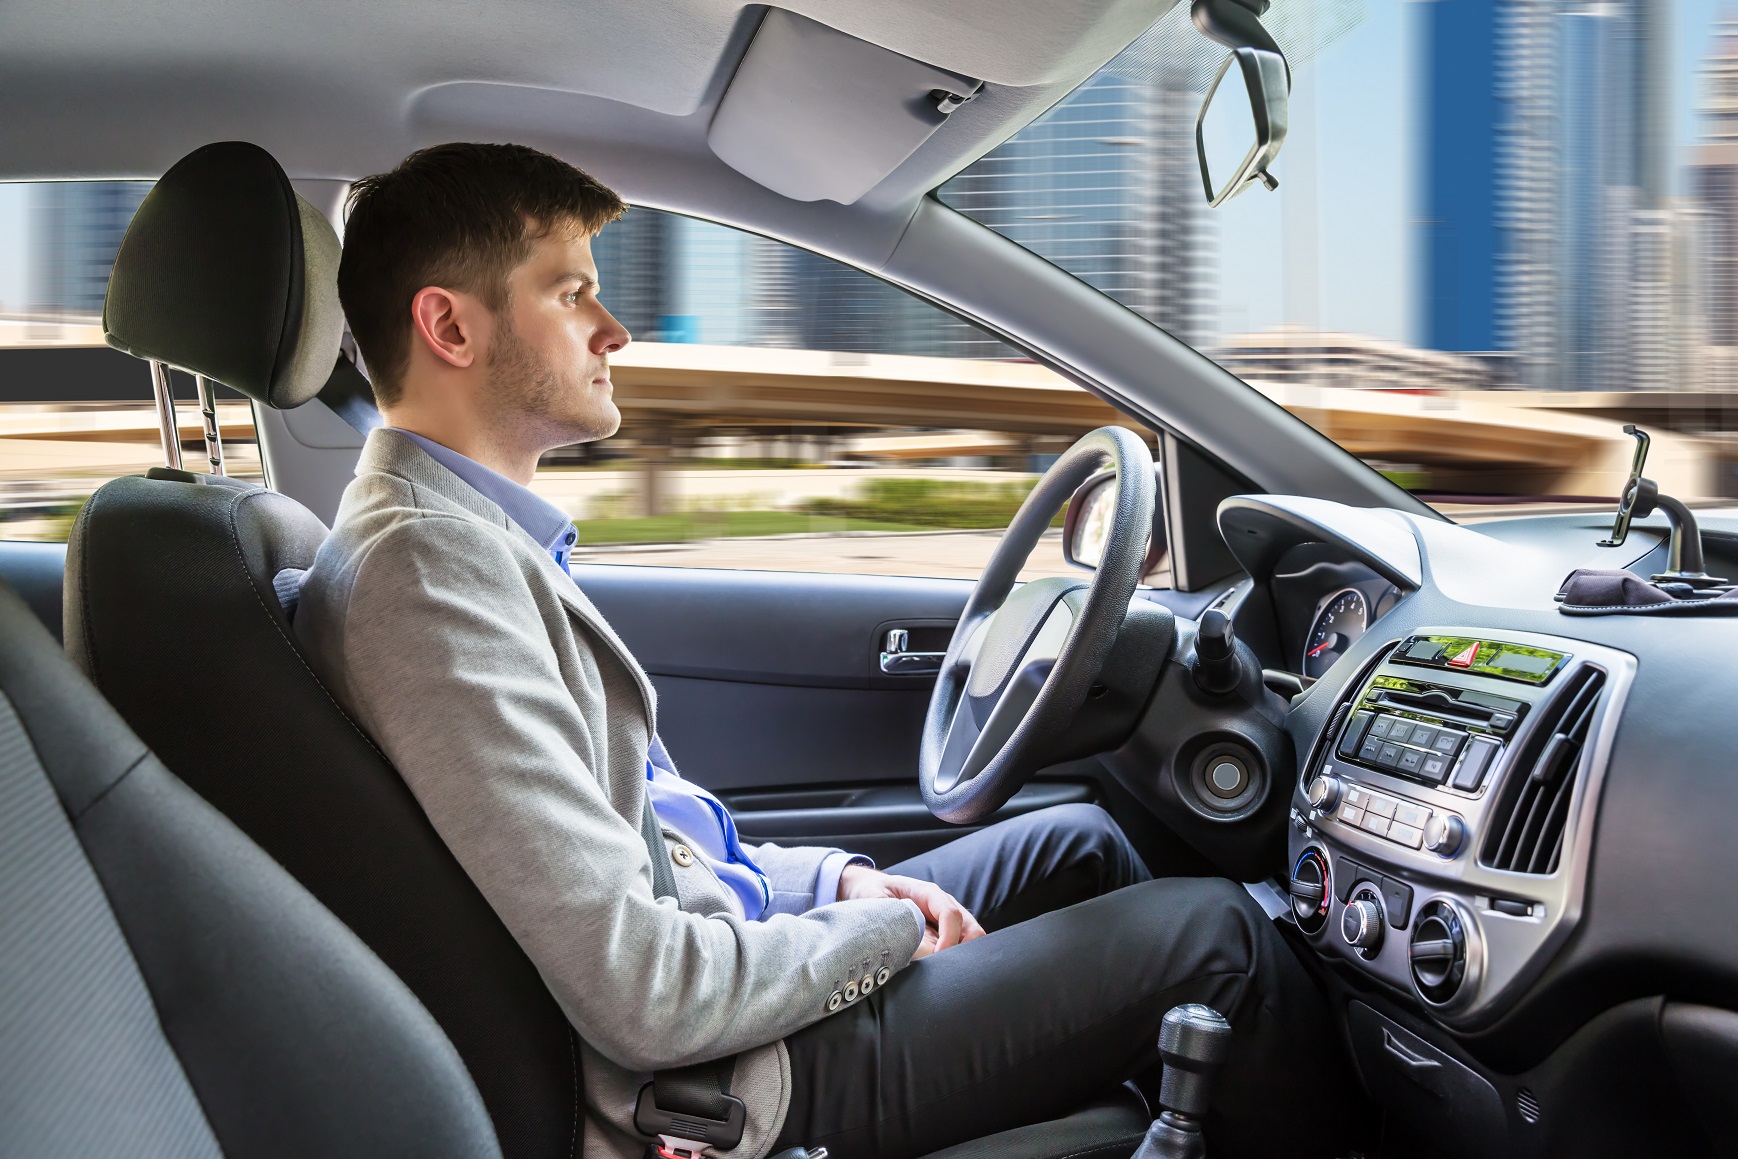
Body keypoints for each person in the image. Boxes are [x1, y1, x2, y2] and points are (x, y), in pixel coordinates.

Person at [295, 142, 1341, 1159]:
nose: (613, 329)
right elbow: (645, 993)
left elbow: (655, 844)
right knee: (1221, 942)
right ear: (449, 325)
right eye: (571, 294)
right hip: (727, 1081)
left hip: (733, 975)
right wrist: (880, 938)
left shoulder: (463, 537)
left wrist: (834, 884)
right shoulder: (427, 574)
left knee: (1080, 846)